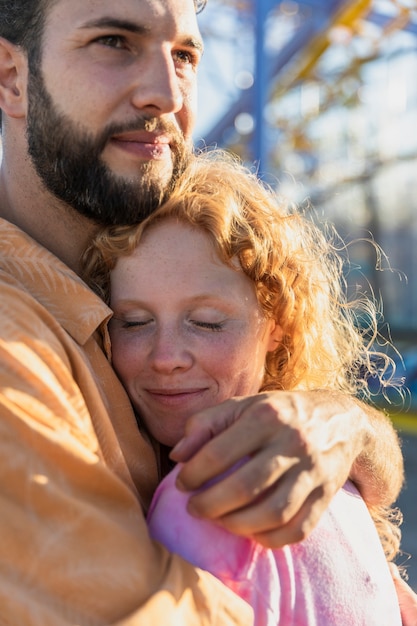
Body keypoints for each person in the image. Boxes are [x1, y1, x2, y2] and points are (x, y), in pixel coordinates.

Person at [0, 0, 408, 622]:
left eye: (186, 55)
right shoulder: (13, 338)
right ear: (11, 77)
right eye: (114, 41)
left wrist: (345, 424)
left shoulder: (123, 284)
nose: (167, 93)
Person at [83, 149, 403, 625]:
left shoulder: (204, 499)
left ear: (277, 323)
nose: (167, 357)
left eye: (207, 323)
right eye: (133, 322)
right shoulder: (343, 483)